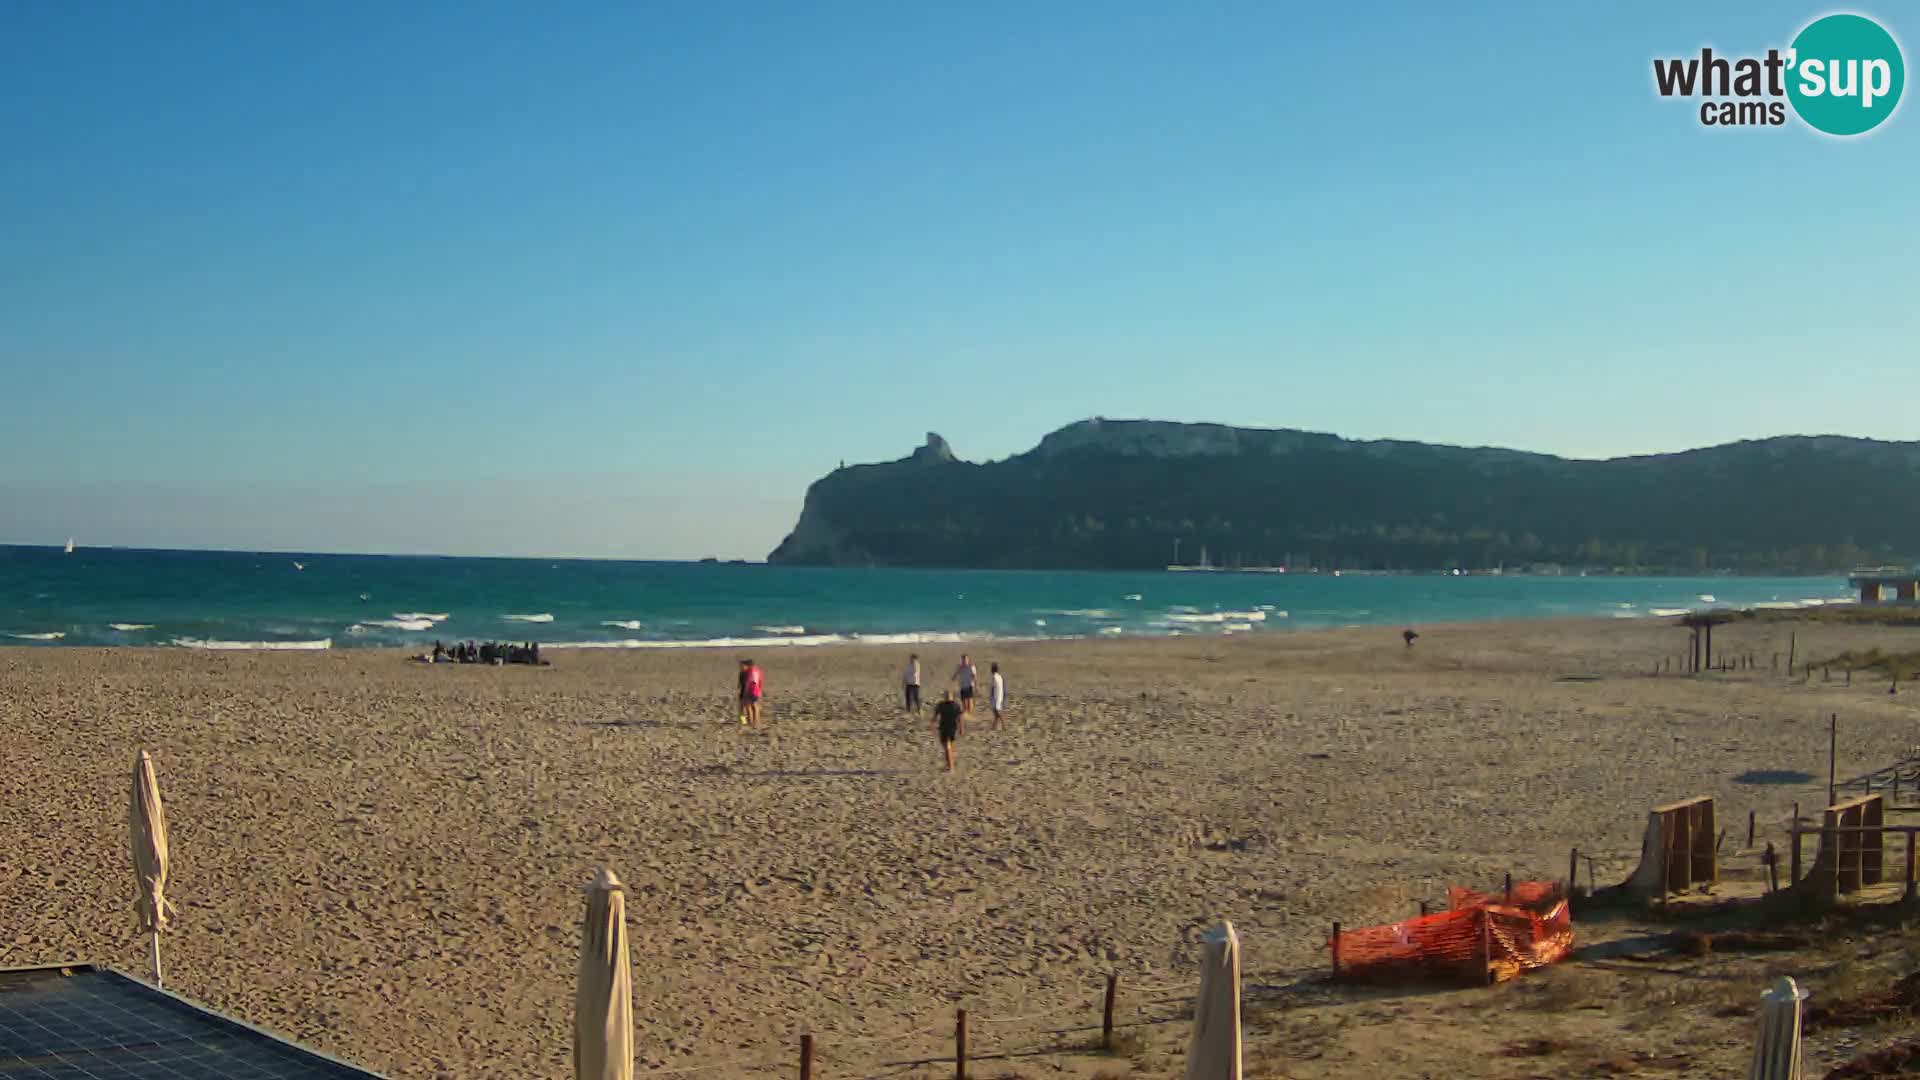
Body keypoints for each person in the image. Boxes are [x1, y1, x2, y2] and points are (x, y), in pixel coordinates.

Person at [932, 690, 963, 771]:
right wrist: (961, 728)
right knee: (950, 746)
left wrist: (932, 723)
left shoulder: (941, 705)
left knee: (947, 747)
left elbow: (935, 716)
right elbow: (960, 718)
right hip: (953, 728)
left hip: (944, 728)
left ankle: (950, 766)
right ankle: (950, 763)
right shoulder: (956, 705)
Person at [742, 658, 765, 727]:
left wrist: (745, 691)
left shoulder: (749, 671)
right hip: (756, 690)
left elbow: (748, 682)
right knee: (754, 706)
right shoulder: (758, 671)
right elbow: (760, 681)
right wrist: (760, 690)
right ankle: (755, 722)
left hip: (750, 690)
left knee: (746, 707)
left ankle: (747, 722)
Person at [989, 662, 1007, 729]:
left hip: (996, 697)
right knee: (996, 712)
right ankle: (994, 726)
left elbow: (992, 688)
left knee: (997, 712)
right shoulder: (999, 677)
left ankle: (1004, 725)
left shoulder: (994, 677)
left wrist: (991, 697)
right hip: (1000, 696)